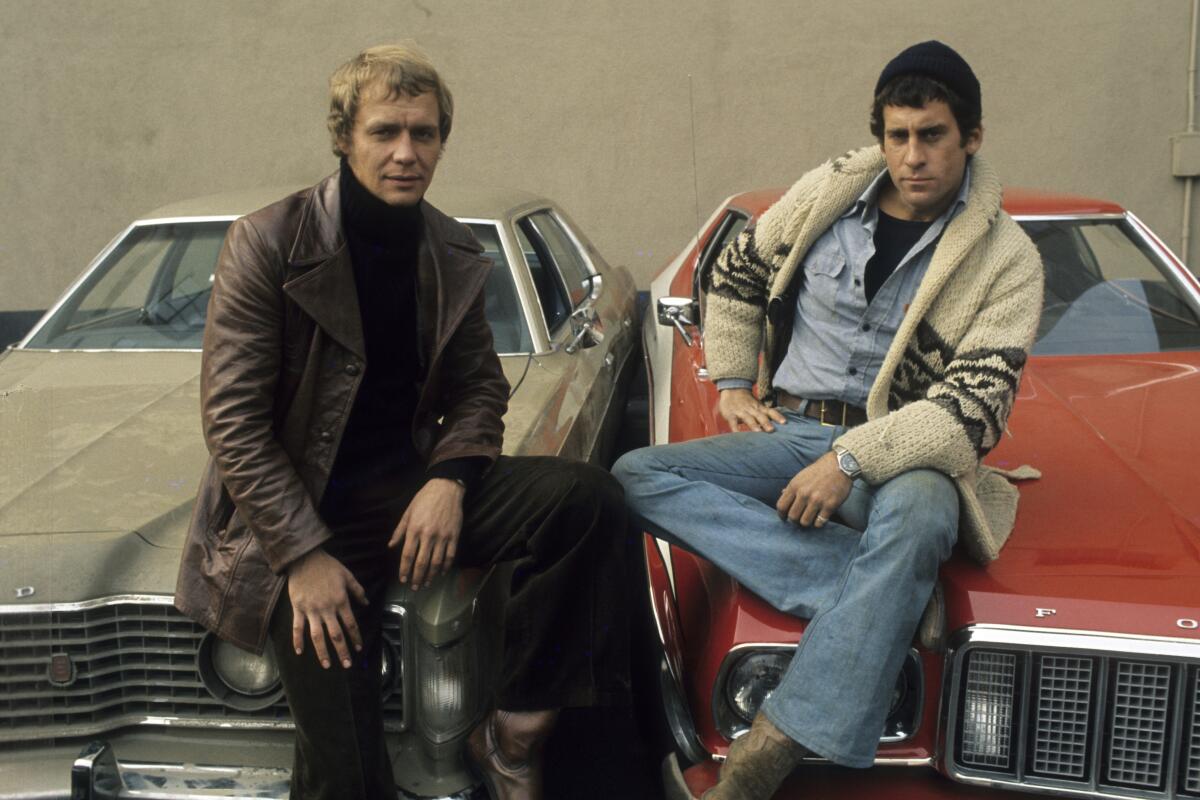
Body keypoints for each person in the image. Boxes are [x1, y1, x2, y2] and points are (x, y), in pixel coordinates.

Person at [174, 44, 627, 800]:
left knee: (590, 501)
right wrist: (301, 558)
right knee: (348, 773)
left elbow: (481, 387)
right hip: (300, 515)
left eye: (424, 134)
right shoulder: (269, 242)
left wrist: (450, 478)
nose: (406, 153)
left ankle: (512, 725)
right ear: (344, 137)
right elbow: (234, 424)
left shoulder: (451, 248)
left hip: (408, 488)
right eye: (385, 132)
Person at [614, 41, 1042, 800]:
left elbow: (968, 415)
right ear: (880, 136)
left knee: (918, 513)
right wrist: (735, 380)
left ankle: (765, 754)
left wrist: (848, 462)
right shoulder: (828, 196)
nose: (913, 156)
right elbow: (737, 272)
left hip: (907, 454)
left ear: (971, 137)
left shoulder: (1007, 260)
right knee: (632, 477)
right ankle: (887, 590)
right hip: (792, 430)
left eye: (933, 135)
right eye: (898, 136)